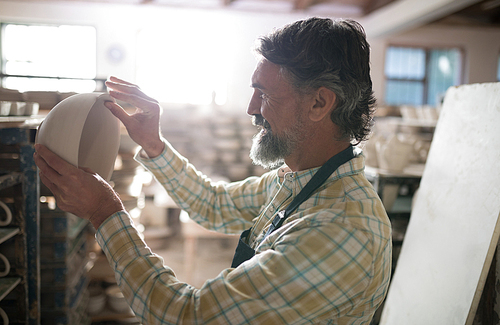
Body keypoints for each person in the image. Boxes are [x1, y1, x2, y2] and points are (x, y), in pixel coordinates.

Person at [34, 17, 392, 324]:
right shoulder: (301, 180)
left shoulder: (339, 228)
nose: (251, 108)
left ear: (319, 102)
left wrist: (104, 212)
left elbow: (186, 315)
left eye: (263, 93)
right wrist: (154, 144)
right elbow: (215, 204)